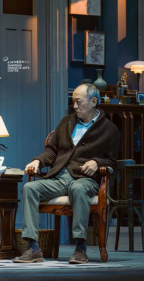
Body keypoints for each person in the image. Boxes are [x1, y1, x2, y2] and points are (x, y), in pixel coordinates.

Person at [13, 83, 119, 265]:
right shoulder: (66, 122)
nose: (75, 106)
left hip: (85, 180)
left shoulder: (109, 129)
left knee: (78, 189)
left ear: (94, 101)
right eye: (73, 102)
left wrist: (97, 162)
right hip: (59, 177)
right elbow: (51, 150)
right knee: (30, 188)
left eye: (79, 102)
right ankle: (33, 247)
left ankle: (80, 248)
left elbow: (112, 161)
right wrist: (38, 161)